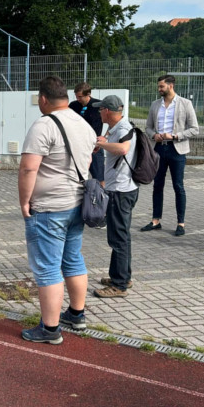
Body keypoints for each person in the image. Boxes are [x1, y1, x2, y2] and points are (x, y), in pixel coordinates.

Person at [19, 76, 96, 344]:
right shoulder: (83, 123)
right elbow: (87, 160)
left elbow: (29, 167)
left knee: (48, 267)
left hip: (49, 207)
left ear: (43, 99)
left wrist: (24, 202)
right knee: (72, 258)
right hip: (77, 203)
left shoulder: (44, 125)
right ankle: (76, 313)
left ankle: (50, 329)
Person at [92, 95, 138, 298]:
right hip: (121, 189)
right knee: (122, 236)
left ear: (107, 111)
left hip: (121, 191)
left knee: (118, 238)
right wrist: (103, 140)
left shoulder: (123, 128)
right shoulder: (116, 128)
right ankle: (122, 276)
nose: (98, 112)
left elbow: (122, 149)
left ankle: (119, 285)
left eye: (100, 109)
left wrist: (102, 145)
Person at [142, 75, 199, 236]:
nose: (159, 89)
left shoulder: (185, 104)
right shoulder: (155, 105)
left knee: (178, 186)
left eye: (161, 86)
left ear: (170, 86)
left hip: (177, 149)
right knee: (157, 185)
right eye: (159, 87)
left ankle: (180, 223)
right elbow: (148, 128)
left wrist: (174, 136)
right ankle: (155, 220)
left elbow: (194, 129)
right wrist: (154, 135)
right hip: (159, 149)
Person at [69, 82, 106, 188]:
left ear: (88, 94)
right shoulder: (73, 106)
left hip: (94, 146)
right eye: (76, 96)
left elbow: (110, 121)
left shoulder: (98, 105)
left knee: (99, 177)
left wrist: (104, 138)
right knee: (76, 176)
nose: (78, 99)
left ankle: (100, 199)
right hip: (78, 146)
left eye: (80, 97)